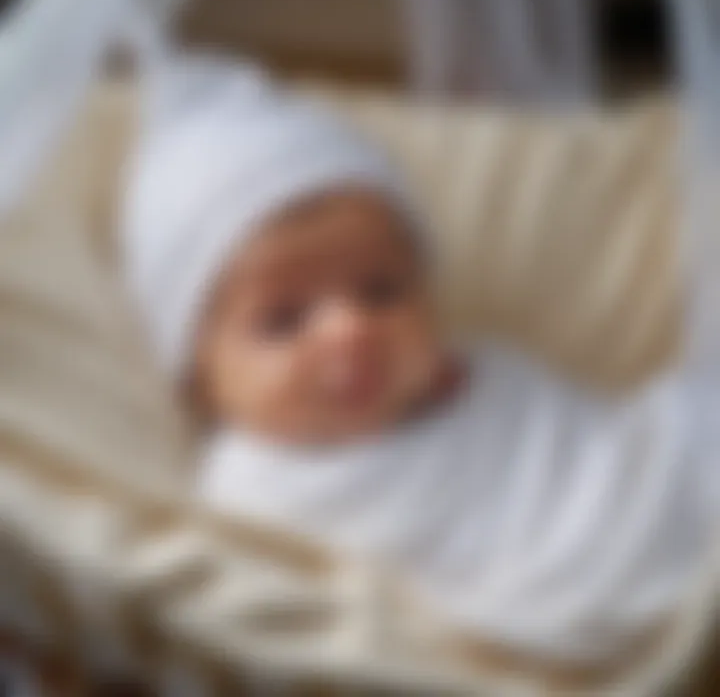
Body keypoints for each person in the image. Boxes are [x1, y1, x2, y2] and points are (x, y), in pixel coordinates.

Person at [121, 52, 717, 668]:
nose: (351, 328)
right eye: (285, 320)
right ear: (202, 382)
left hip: (638, 472)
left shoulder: (462, 369)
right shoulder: (253, 489)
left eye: (381, 290)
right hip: (565, 582)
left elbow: (564, 432)